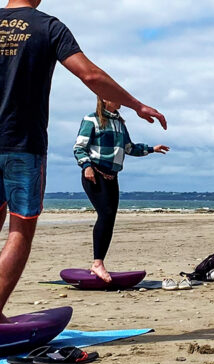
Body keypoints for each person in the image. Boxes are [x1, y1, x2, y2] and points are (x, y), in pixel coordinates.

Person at [0, 0, 166, 324]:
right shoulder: (48, 27)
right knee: (20, 226)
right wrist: (137, 105)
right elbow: (91, 76)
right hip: (24, 143)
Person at [73, 96, 171, 282]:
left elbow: (129, 148)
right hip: (94, 174)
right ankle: (97, 263)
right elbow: (79, 147)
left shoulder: (119, 124)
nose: (120, 101)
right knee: (106, 214)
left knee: (110, 218)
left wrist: (151, 149)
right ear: (104, 99)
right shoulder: (91, 119)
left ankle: (98, 263)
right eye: (113, 96)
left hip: (112, 177)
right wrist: (86, 166)